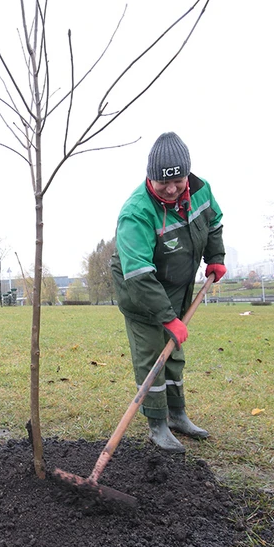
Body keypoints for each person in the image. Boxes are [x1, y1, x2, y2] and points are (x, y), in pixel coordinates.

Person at [111, 132, 226, 453]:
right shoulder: (136, 213)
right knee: (152, 355)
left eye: (178, 181)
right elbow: (138, 274)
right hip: (140, 290)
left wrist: (216, 258)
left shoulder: (201, 192)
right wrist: (166, 318)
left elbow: (214, 223)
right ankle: (157, 424)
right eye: (163, 183)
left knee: (174, 354)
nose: (172, 188)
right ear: (151, 178)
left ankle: (177, 415)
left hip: (178, 285)